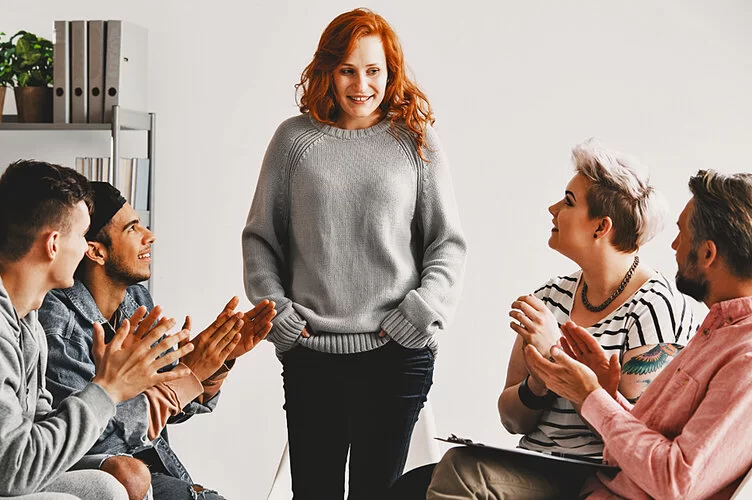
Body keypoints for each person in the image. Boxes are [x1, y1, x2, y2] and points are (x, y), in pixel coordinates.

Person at [242, 8, 466, 500]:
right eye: (347, 69)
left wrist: (421, 312)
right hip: (312, 356)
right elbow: (260, 238)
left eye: (373, 70)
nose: (361, 84)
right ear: (328, 71)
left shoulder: (416, 141)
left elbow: (446, 244)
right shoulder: (294, 140)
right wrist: (275, 312)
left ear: (391, 73)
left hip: (396, 357)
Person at [427, 169, 752, 499]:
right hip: (585, 480)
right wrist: (587, 389)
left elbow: (676, 480)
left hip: (589, 477)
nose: (673, 244)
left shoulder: (736, 352)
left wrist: (587, 392)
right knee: (429, 476)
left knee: (464, 472)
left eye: (568, 201)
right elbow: (649, 433)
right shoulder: (718, 329)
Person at [0, 160, 192, 499]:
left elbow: (37, 426)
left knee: (117, 483)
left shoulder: (24, 314)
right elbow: (11, 470)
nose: (85, 248)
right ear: (53, 244)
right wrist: (107, 389)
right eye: (81, 236)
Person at [39, 182, 275, 500]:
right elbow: (96, 440)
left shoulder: (135, 299)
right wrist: (187, 376)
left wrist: (215, 363)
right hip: (102, 473)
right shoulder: (58, 325)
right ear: (95, 250)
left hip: (152, 466)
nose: (150, 236)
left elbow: (169, 406)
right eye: (133, 228)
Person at [495, 139, 698, 461]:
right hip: (531, 463)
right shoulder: (549, 297)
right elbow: (511, 421)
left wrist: (554, 357)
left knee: (463, 473)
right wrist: (537, 383)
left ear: (601, 227)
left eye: (568, 201)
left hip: (596, 477)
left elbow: (636, 438)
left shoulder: (657, 307)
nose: (553, 209)